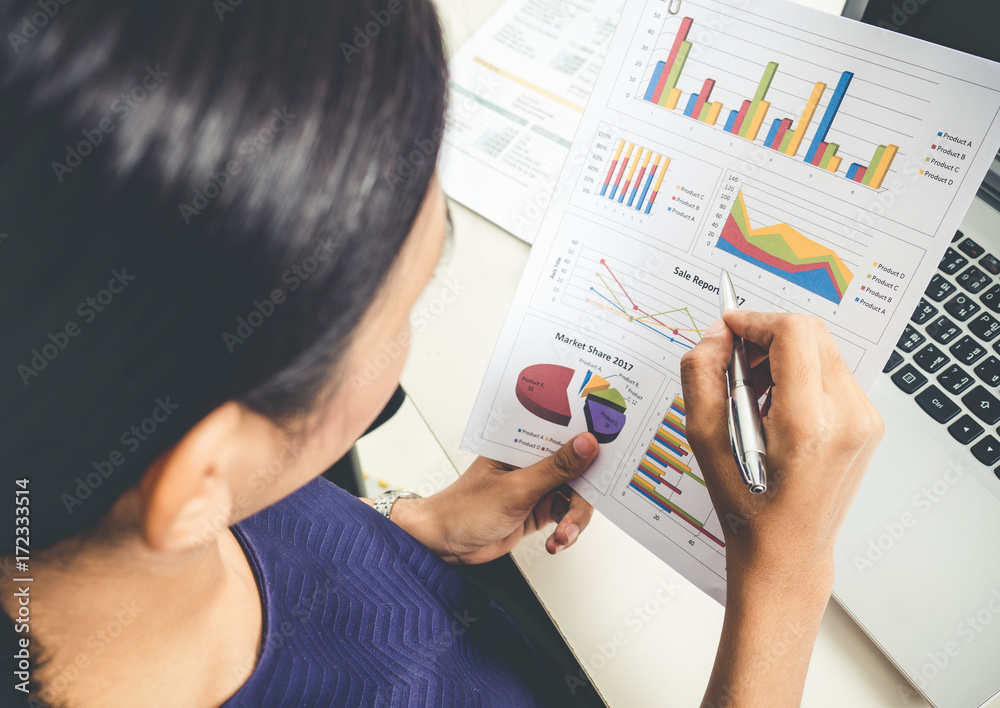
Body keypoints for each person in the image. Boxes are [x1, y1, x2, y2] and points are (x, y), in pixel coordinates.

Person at [0, 1, 883, 706]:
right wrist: (785, 582)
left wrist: (403, 545)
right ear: (197, 478)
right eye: (405, 302)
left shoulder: (93, 470)